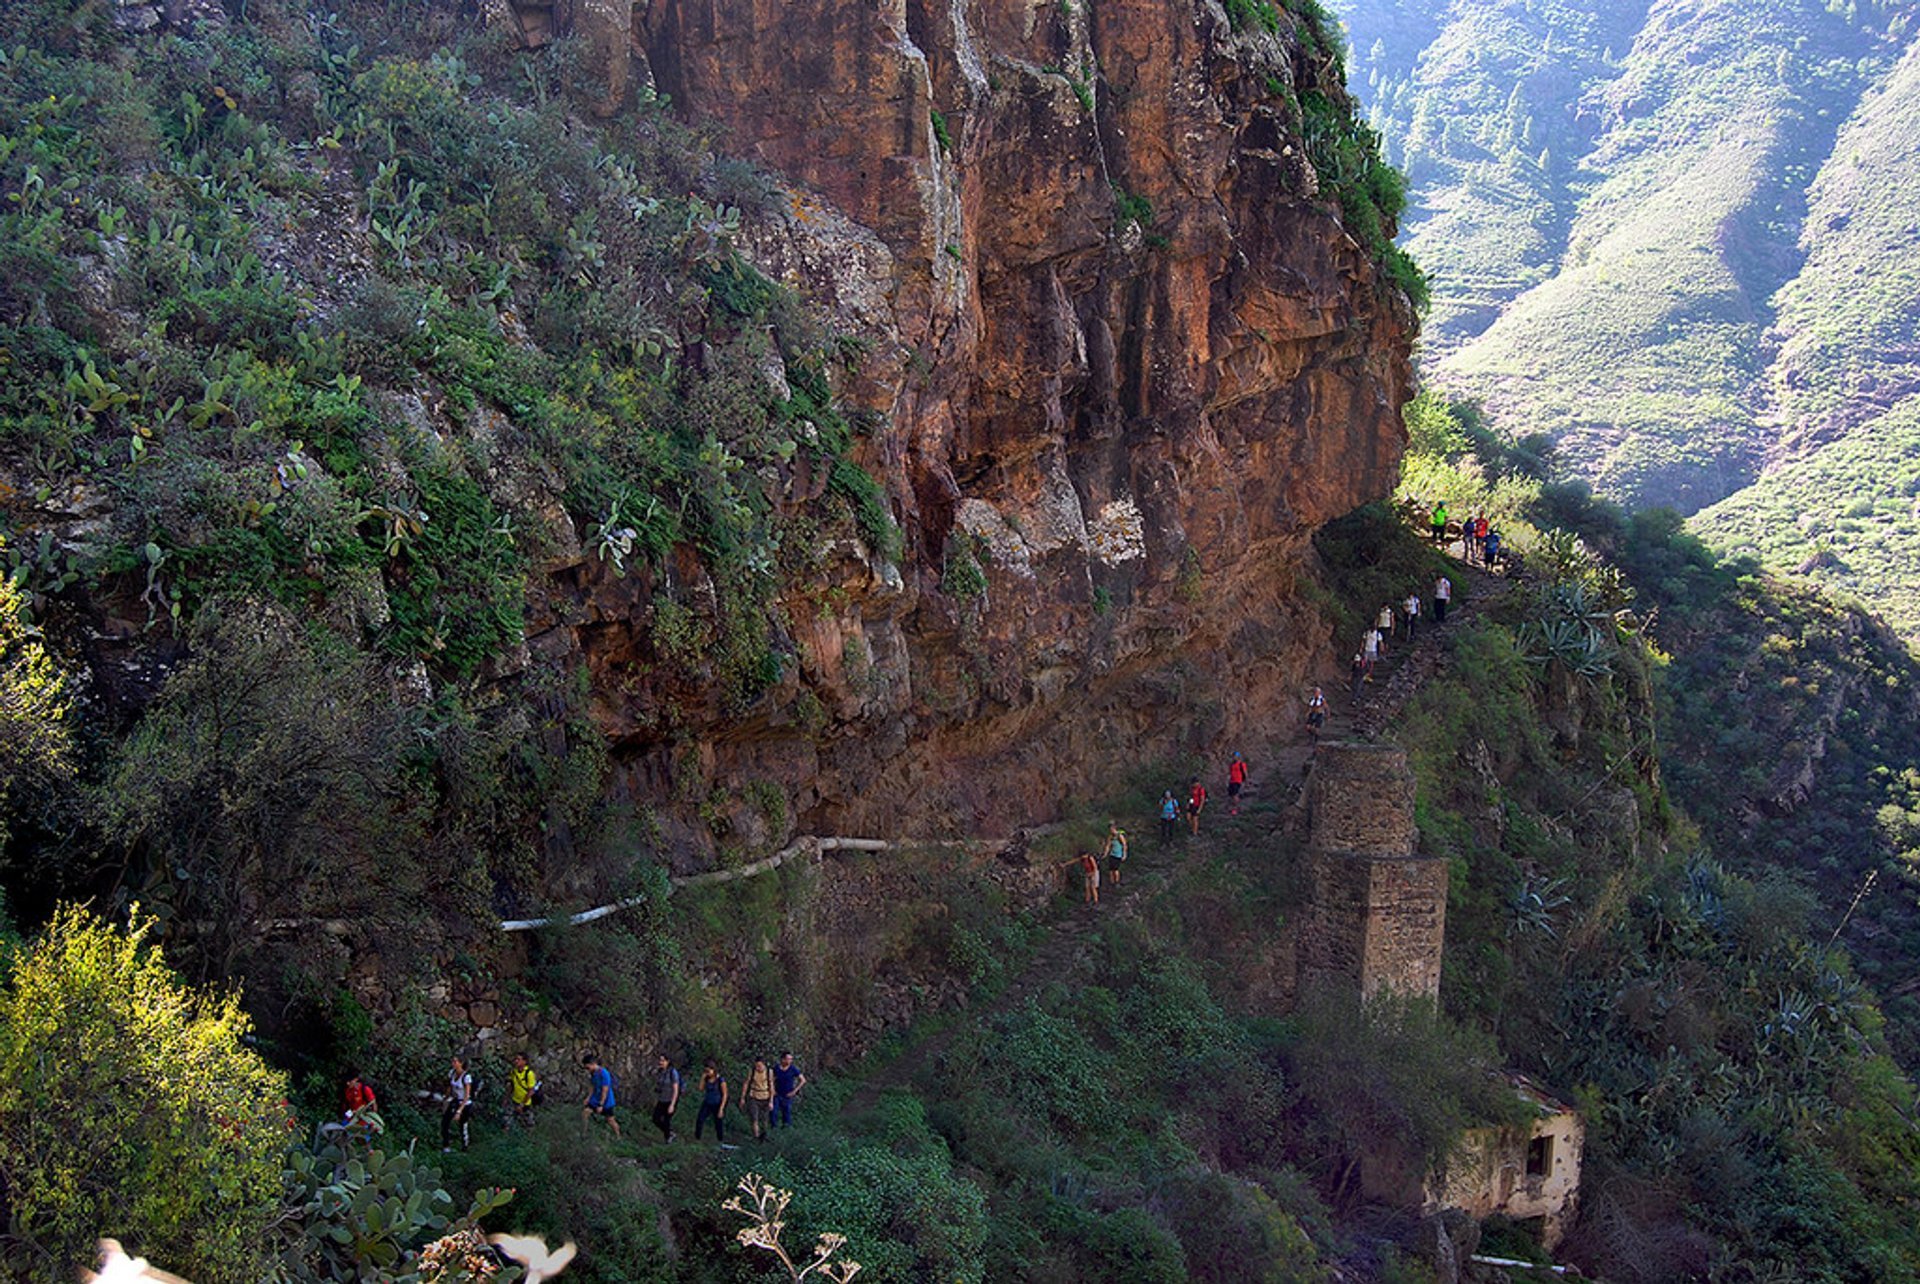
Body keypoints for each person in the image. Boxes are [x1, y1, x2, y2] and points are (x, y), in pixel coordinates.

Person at [441, 1053, 475, 1152]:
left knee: (462, 1125)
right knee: (445, 1122)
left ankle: (465, 1146)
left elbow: (467, 1095)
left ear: (461, 1063)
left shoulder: (466, 1077)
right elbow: (450, 1087)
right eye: (453, 1061)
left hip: (465, 1103)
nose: (453, 1064)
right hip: (455, 1100)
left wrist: (459, 1111)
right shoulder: (452, 1073)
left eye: (455, 1062)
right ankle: (446, 1145)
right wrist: (446, 1098)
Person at [581, 1053, 619, 1137]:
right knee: (585, 1113)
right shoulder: (593, 1073)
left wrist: (601, 1104)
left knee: (610, 1120)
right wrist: (588, 1098)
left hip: (606, 1101)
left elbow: (605, 1090)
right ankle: (584, 1133)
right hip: (595, 1098)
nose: (587, 1070)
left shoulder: (604, 1074)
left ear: (593, 1064)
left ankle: (618, 1136)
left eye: (588, 1067)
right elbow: (592, 1086)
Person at [694, 1059, 728, 1144]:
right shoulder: (706, 1078)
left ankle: (720, 1140)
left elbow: (725, 1094)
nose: (708, 1073)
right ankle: (697, 1138)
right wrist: (702, 1078)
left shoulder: (720, 1080)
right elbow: (700, 1088)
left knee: (718, 1123)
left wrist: (721, 1108)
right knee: (700, 1119)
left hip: (717, 1103)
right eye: (706, 1071)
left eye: (709, 1071)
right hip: (707, 1102)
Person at [742, 1057, 775, 1141]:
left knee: (764, 1119)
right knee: (754, 1118)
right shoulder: (752, 1071)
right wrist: (743, 1097)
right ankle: (756, 1136)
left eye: (760, 1066)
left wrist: (771, 1101)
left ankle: (764, 1136)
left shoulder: (769, 1072)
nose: (758, 1068)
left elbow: (771, 1086)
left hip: (765, 1096)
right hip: (754, 1096)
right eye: (756, 1066)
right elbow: (746, 1083)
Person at [772, 1052, 807, 1129]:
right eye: (788, 1059)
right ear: (783, 1059)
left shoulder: (793, 1069)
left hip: (788, 1095)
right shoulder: (777, 1068)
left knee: (786, 1113)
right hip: (777, 1094)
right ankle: (774, 1129)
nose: (789, 1061)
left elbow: (803, 1080)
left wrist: (794, 1091)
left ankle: (786, 1129)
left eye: (791, 1059)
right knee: (774, 1112)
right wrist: (773, 1090)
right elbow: (772, 1080)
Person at [651, 1053, 681, 1142]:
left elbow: (676, 1089)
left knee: (667, 1120)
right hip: (662, 1099)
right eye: (660, 1060)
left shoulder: (673, 1073)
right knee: (656, 1119)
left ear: (668, 1061)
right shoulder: (660, 1072)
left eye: (663, 1061)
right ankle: (669, 1132)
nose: (661, 1062)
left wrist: (672, 1104)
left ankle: (668, 1139)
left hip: (670, 1100)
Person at [510, 1053, 542, 1125]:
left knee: (528, 1121)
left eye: (518, 1059)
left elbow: (531, 1091)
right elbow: (512, 1084)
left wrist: (522, 1104)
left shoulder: (529, 1074)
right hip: (515, 1099)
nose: (516, 1061)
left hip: (525, 1102)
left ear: (524, 1062)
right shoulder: (513, 1072)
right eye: (516, 1059)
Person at [1105, 821, 1129, 885]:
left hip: (1118, 855)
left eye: (1111, 828)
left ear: (1114, 828)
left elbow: (1124, 845)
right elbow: (1108, 845)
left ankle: (1117, 882)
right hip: (1112, 854)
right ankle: (1112, 883)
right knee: (1110, 870)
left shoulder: (1119, 836)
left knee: (1115, 870)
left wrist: (1124, 854)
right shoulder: (1110, 837)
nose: (1110, 830)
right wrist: (1105, 854)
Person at [1227, 752, 1248, 816]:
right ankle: (1235, 807)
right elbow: (1230, 773)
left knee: (1235, 795)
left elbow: (1245, 772)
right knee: (1231, 795)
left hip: (1238, 781)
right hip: (1231, 781)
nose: (1233, 758)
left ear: (1238, 757)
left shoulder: (1241, 764)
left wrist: (1246, 781)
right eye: (1233, 756)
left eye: (1235, 756)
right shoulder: (1232, 765)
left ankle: (1235, 809)